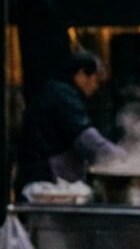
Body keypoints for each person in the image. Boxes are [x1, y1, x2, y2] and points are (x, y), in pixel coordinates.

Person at [16, 50, 124, 197]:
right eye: (95, 79)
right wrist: (121, 157)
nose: (96, 86)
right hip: (47, 178)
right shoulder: (64, 96)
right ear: (81, 75)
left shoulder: (54, 90)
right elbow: (86, 138)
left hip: (37, 174)